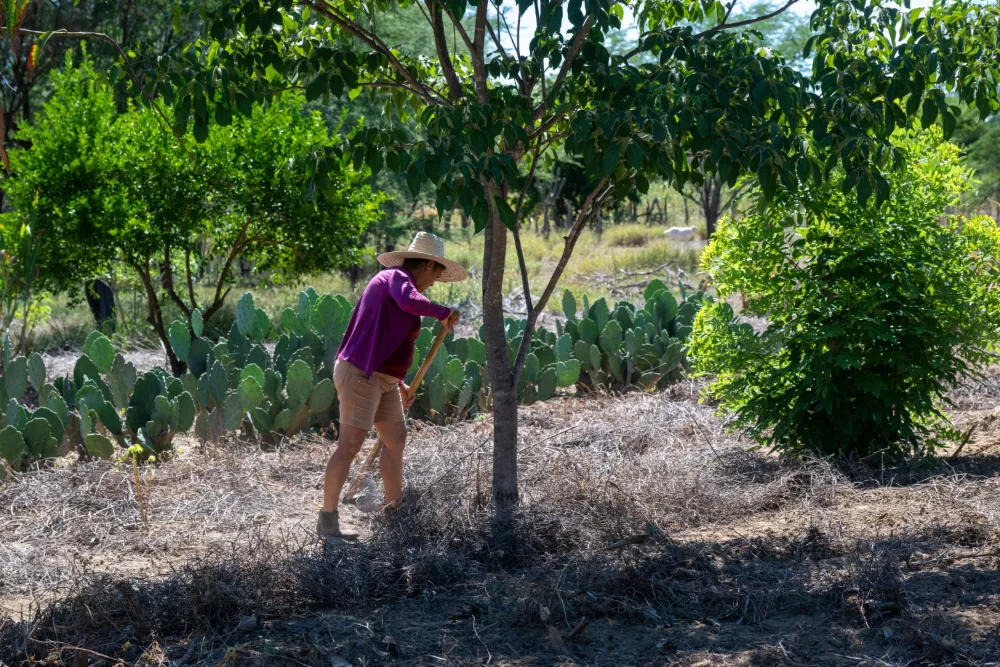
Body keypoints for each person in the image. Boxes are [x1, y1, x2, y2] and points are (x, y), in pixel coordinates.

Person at [318, 232, 467, 539]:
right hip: (361, 373)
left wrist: (399, 383)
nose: (435, 282)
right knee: (349, 445)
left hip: (383, 379)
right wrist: (443, 312)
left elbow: (386, 338)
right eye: (437, 275)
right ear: (427, 265)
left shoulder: (404, 285)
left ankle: (394, 513)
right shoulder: (394, 279)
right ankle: (328, 519)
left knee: (396, 438)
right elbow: (409, 302)